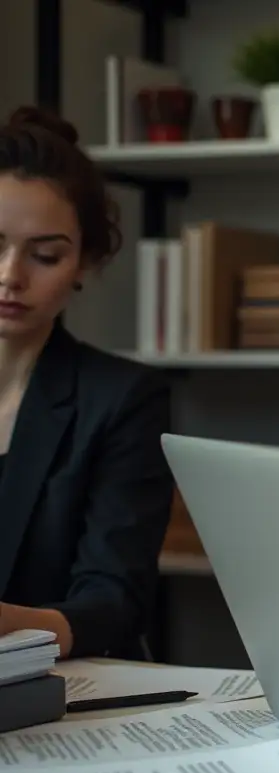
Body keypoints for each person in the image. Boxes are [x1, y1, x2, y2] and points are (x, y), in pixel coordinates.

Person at [0, 105, 174, 660]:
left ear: (84, 264)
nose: (10, 275)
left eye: (45, 255)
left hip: (69, 688)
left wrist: (12, 628)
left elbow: (114, 602)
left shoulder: (123, 398)